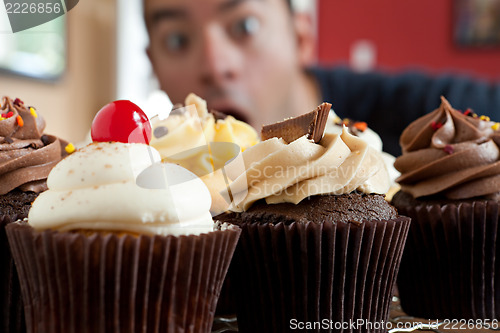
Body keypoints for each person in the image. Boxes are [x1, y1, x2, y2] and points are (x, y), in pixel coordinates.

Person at [143, 0, 500, 156]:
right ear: (153, 65)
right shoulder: (158, 179)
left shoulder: (426, 116)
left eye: (244, 26)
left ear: (301, 38)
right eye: (177, 39)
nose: (215, 66)